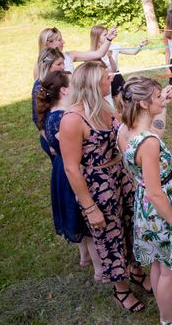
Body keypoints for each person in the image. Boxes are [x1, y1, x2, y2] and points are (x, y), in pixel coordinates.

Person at [60, 61, 150, 313]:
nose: (110, 76)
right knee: (111, 238)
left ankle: (137, 271)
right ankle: (121, 290)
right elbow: (71, 168)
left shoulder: (104, 107)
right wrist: (90, 207)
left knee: (131, 227)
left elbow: (130, 127)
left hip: (120, 176)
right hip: (98, 187)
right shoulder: (72, 120)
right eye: (104, 76)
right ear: (91, 84)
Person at [117, 77, 172, 325]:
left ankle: (169, 313)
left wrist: (164, 107)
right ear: (142, 104)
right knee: (169, 270)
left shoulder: (126, 131)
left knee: (160, 265)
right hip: (159, 209)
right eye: (157, 96)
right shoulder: (148, 143)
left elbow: (157, 130)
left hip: (146, 207)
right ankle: (169, 321)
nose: (162, 97)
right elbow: (154, 191)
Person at [35, 70, 100, 277]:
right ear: (64, 90)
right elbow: (73, 148)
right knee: (86, 226)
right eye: (73, 84)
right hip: (71, 171)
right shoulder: (61, 118)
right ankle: (100, 271)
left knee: (77, 217)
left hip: (62, 167)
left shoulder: (55, 114)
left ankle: (85, 258)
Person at [89, 25, 147, 101]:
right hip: (103, 79)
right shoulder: (93, 52)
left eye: (108, 33)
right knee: (108, 101)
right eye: (105, 35)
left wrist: (140, 45)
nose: (108, 36)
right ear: (97, 37)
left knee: (126, 99)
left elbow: (132, 52)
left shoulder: (115, 46)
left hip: (116, 77)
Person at [34, 26, 116, 76]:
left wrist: (108, 39)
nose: (63, 42)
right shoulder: (40, 65)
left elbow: (99, 54)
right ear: (49, 43)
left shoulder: (70, 55)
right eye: (59, 40)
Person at [32, 48, 66, 158]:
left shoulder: (58, 80)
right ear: (47, 66)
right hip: (52, 138)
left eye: (63, 63)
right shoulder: (39, 87)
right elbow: (38, 119)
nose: (63, 66)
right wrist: (51, 143)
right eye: (59, 64)